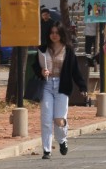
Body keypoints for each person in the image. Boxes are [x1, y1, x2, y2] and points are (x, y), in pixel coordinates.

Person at [34, 23, 86, 159]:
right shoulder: (43, 49)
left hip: (62, 86)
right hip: (46, 85)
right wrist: (41, 71)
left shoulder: (68, 50)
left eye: (57, 32)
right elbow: (35, 66)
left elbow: (75, 70)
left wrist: (82, 86)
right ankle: (47, 150)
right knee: (46, 119)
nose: (54, 35)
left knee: (59, 120)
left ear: (62, 34)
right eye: (52, 32)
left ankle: (62, 140)